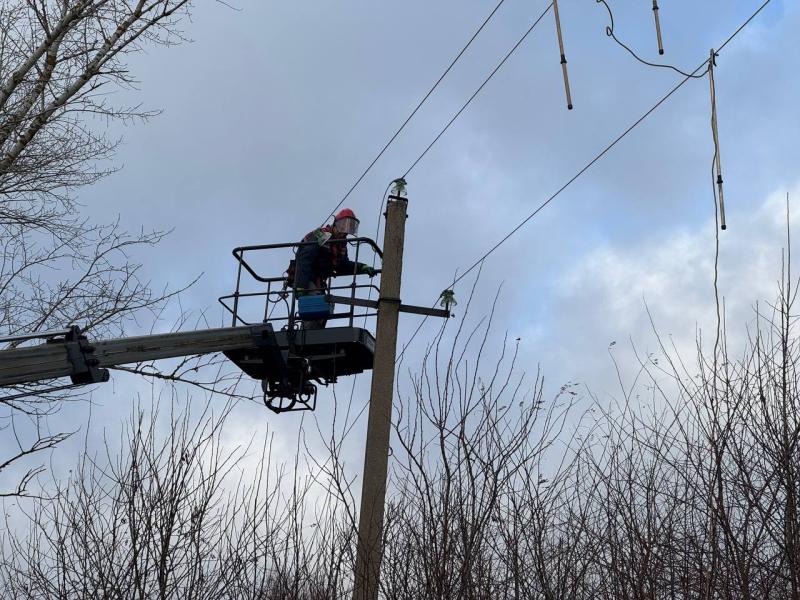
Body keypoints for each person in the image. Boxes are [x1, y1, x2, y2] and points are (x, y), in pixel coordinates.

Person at [293, 208, 378, 327]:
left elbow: (343, 265)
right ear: (335, 224)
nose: (345, 231)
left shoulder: (341, 245)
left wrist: (362, 267)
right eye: (343, 226)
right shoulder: (321, 235)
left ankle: (313, 339)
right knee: (314, 310)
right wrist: (301, 286)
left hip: (319, 281)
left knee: (321, 311)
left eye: (349, 228)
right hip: (307, 277)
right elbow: (305, 258)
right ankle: (306, 338)